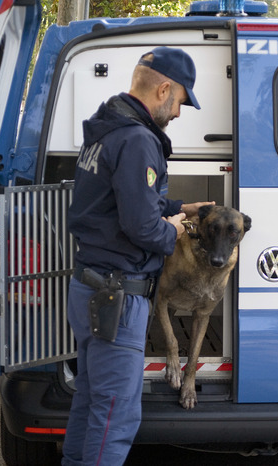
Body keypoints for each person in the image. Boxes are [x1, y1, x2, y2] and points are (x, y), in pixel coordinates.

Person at [63, 47, 210, 465]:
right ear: (164, 88)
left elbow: (125, 202)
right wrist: (177, 230)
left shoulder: (108, 130)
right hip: (117, 297)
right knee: (115, 415)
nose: (179, 113)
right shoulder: (139, 140)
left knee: (91, 402)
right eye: (181, 100)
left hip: (89, 286)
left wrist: (182, 208)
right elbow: (142, 227)